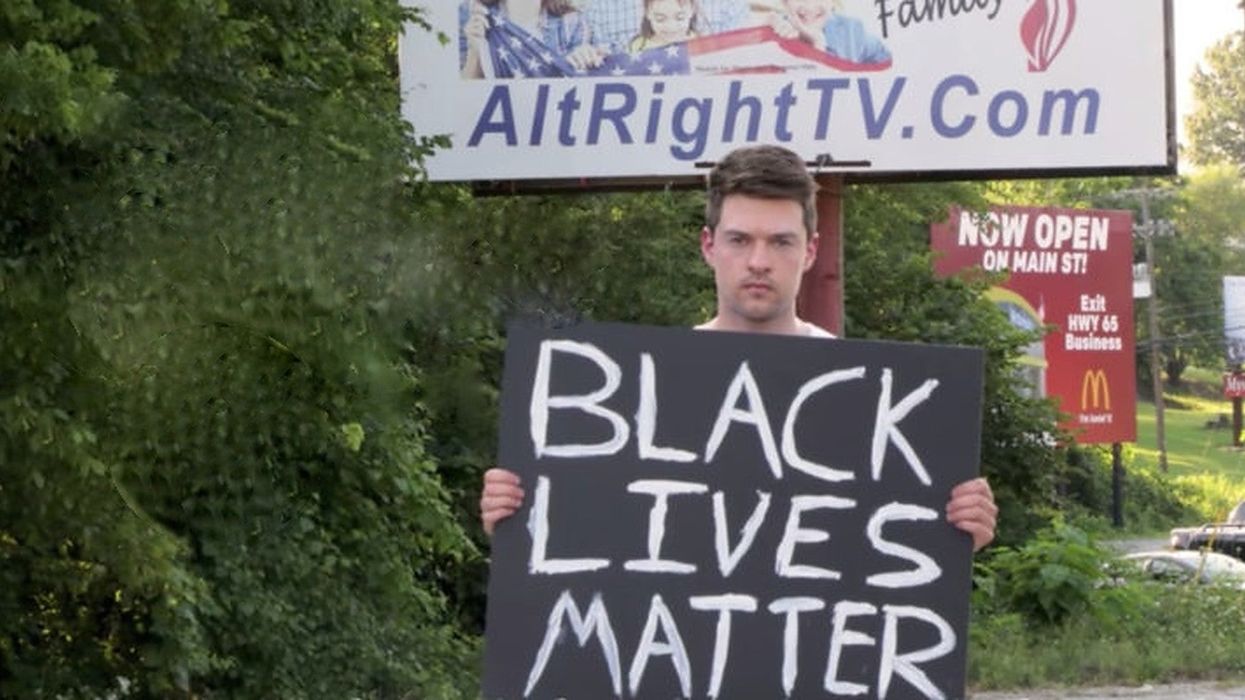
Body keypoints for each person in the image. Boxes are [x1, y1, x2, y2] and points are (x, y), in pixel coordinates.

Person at [480, 144, 998, 552]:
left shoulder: (866, 399)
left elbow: (881, 562)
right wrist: (519, 516)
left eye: (780, 241)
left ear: (810, 251)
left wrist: (954, 535)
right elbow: (602, 541)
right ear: (708, 246)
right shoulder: (646, 392)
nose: (758, 261)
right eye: (739, 240)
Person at [460, 0, 607, 79]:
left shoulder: (572, 24)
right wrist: (475, 52)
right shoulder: (470, 14)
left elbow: (584, 94)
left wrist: (585, 60)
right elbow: (460, 103)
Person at [588, 0, 746, 53]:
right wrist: (586, 56)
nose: (671, 27)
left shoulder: (729, 3)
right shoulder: (601, 6)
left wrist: (770, 33)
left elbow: (743, 57)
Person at [769, 0, 891, 65]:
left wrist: (818, 43)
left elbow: (887, 63)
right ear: (785, 2)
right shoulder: (776, 33)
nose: (810, 7)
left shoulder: (851, 30)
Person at [629, 0, 700, 52]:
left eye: (680, 18)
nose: (671, 27)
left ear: (692, 11)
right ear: (647, 13)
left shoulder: (699, 42)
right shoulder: (638, 47)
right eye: (660, 19)